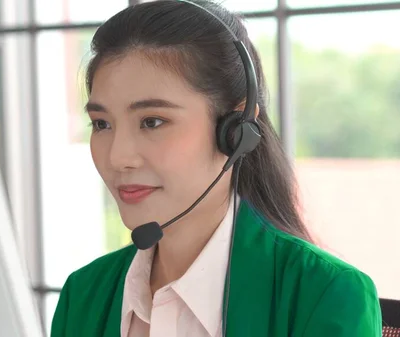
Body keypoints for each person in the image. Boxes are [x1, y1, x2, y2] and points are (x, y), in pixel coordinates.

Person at [50, 0, 382, 336]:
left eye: (152, 122)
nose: (118, 157)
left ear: (236, 131)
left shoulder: (325, 295)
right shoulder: (84, 293)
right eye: (102, 124)